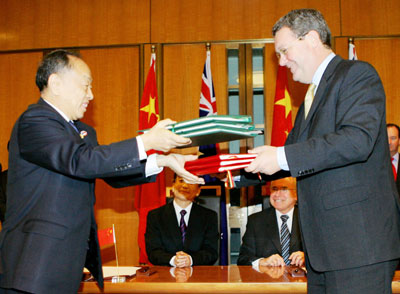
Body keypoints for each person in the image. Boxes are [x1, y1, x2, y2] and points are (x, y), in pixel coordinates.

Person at [0, 49, 204, 294]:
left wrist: (163, 160)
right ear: (55, 83)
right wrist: (146, 142)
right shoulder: (34, 121)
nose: (91, 95)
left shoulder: (83, 131)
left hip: (65, 263)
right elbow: (79, 161)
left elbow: (108, 172)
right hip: (34, 265)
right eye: (86, 86)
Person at [244, 9, 400, 294]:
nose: (281, 62)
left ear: (312, 38)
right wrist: (222, 170)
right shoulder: (311, 97)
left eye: (284, 51)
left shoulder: (356, 75)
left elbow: (357, 140)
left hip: (357, 247)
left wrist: (279, 156)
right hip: (324, 251)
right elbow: (289, 157)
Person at [145, 175, 219, 267]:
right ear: (173, 185)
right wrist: (173, 260)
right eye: (181, 180)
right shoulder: (155, 216)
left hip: (198, 276)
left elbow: (211, 252)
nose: (184, 185)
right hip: (165, 276)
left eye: (191, 182)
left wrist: (190, 260)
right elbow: (153, 252)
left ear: (198, 191)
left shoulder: (209, 216)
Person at [237, 177, 303, 268]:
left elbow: (324, 253)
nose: (277, 194)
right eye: (274, 189)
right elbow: (243, 260)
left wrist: (306, 257)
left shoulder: (309, 220)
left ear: (296, 194)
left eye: (284, 189)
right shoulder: (256, 221)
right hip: (268, 280)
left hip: (302, 281)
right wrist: (262, 261)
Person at [387, 123, 400, 192]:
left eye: (393, 138)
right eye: (386, 138)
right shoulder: (373, 163)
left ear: (399, 141)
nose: (389, 142)